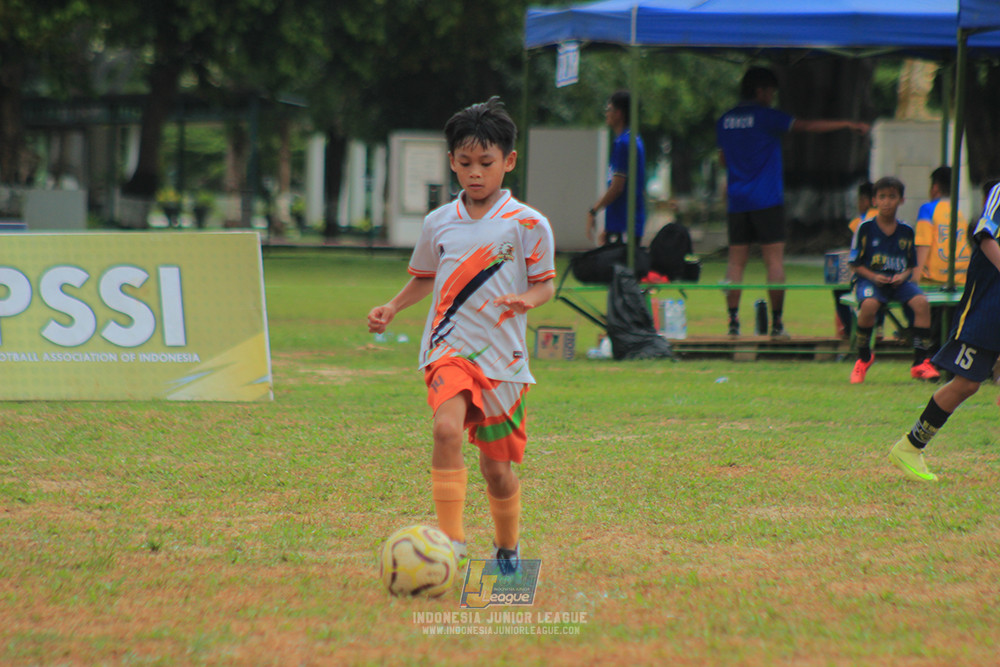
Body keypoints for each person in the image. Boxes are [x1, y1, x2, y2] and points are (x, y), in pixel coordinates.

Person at [367, 97, 556, 573]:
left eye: (486, 164)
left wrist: (525, 302)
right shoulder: (438, 222)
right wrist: (393, 306)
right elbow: (427, 276)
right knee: (446, 429)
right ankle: (451, 544)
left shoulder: (529, 224)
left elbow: (545, 284)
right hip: (447, 348)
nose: (475, 173)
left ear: (508, 162)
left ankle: (507, 549)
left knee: (497, 471)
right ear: (452, 162)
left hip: (504, 360)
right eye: (465, 163)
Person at [716, 66, 870, 338]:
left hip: (737, 200)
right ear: (761, 90)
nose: (772, 97)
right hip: (767, 200)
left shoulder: (725, 120)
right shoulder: (767, 117)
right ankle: (776, 324)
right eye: (771, 92)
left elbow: (723, 159)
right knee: (774, 262)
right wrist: (847, 124)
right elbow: (807, 126)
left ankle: (732, 323)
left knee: (735, 263)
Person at [888, 179, 1000, 482]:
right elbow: (984, 233)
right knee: (966, 384)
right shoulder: (999, 191)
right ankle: (910, 447)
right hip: (988, 311)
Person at [848, 176, 940, 384]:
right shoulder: (865, 228)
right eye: (882, 197)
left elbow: (910, 265)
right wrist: (873, 276)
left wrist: (902, 276)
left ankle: (920, 362)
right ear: (874, 201)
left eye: (892, 196)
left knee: (921, 303)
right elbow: (854, 263)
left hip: (898, 283)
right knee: (869, 306)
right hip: (870, 280)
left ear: (901, 200)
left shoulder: (906, 231)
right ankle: (863, 358)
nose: (887, 202)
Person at [587, 90, 646, 246]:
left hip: (624, 224)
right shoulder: (634, 139)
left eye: (609, 110)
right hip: (626, 223)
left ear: (618, 113)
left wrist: (594, 210)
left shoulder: (623, 143)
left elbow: (617, 187)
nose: (606, 114)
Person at [834, 182, 877, 338]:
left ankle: (850, 331)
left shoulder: (858, 223)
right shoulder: (888, 220)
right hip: (887, 276)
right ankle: (878, 328)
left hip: (865, 277)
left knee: (840, 290)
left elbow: (851, 251)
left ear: (865, 200)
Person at [914, 166, 969, 287]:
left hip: (934, 280)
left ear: (935, 187)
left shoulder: (928, 209)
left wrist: (914, 279)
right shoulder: (960, 213)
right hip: (960, 278)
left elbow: (923, 244)